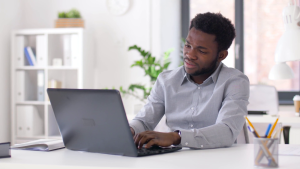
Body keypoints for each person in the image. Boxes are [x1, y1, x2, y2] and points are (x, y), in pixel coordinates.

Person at [129, 12, 250, 149]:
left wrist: (176, 137)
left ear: (221, 55)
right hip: (173, 160)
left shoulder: (235, 82)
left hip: (217, 161)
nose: (190, 55)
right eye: (188, 46)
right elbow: (144, 122)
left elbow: (226, 131)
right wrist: (130, 130)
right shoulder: (166, 80)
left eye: (201, 51)